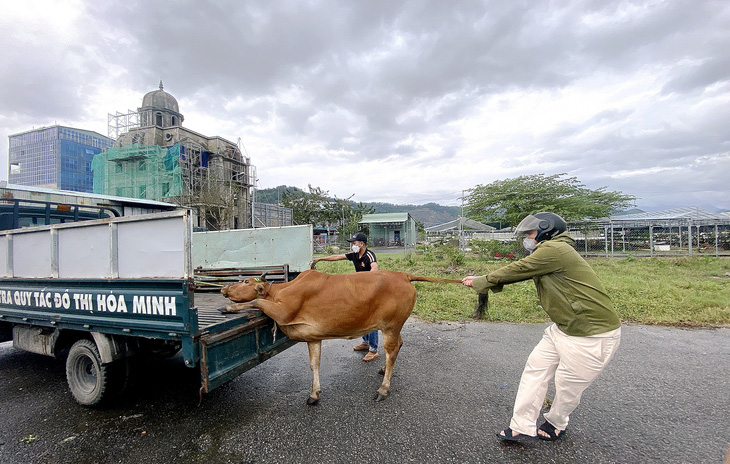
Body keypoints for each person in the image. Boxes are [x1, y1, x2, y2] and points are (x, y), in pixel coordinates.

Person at [462, 212, 621, 443]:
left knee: (567, 387)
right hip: (562, 328)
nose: (527, 238)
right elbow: (520, 271)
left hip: (592, 334)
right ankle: (521, 425)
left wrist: (482, 280)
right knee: (535, 370)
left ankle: (557, 422)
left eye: (530, 233)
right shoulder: (552, 251)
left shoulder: (555, 250)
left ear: (547, 230)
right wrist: (484, 279)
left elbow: (518, 269)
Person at [311, 232, 380, 361]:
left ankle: (373, 349)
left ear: (361, 244)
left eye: (354, 243)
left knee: (371, 318)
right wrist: (321, 259)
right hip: (359, 290)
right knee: (362, 316)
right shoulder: (354, 255)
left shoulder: (369, 255)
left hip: (370, 289)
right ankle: (365, 343)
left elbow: (374, 268)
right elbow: (337, 257)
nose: (353, 246)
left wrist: (367, 279)